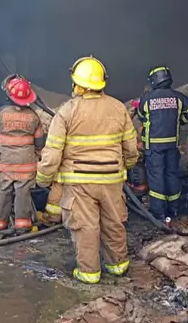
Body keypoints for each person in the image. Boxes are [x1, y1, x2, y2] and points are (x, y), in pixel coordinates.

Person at [36, 56, 139, 284]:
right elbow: (131, 148)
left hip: (79, 183)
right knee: (114, 222)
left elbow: (52, 152)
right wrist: (127, 166)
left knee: (85, 227)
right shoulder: (118, 108)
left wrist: (43, 178)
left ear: (77, 84)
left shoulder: (67, 111)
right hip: (112, 180)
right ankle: (118, 266)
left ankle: (89, 273)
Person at [0, 74, 44, 231]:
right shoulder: (34, 117)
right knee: (23, 194)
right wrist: (37, 153)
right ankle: (23, 226)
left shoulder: (1, 113)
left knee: (2, 192)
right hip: (27, 165)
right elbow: (40, 141)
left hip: (7, 164)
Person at [137, 67, 188, 220]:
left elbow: (141, 116)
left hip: (153, 147)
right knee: (172, 175)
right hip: (172, 145)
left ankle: (159, 212)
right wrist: (180, 120)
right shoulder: (177, 97)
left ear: (154, 80)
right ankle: (174, 209)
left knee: (157, 177)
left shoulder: (147, 99)